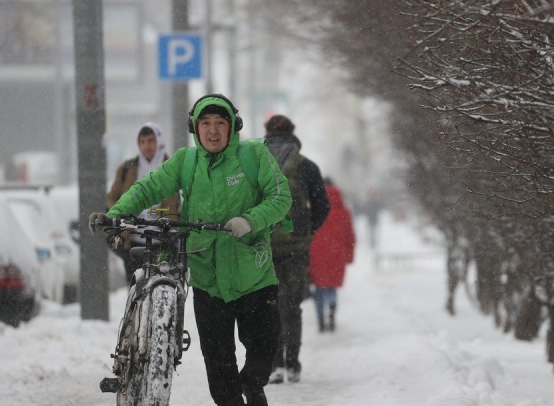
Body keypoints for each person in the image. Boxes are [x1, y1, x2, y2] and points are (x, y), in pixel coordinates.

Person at [89, 94, 291, 406]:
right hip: (207, 277)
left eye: (220, 123)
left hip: (254, 274)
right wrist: (116, 214)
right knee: (219, 364)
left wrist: (250, 221)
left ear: (232, 126)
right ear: (195, 129)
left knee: (263, 349)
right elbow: (149, 187)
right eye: (205, 123)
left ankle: (253, 384)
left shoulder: (254, 155)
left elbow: (280, 198)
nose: (213, 130)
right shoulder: (186, 161)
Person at [263, 114, 330, 384]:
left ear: (267, 132)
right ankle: (292, 363)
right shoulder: (307, 167)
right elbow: (323, 205)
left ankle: (274, 363)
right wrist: (307, 230)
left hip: (263, 246)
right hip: (296, 247)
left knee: (269, 306)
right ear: (293, 133)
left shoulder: (256, 162)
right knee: (292, 305)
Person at [106, 122, 180, 283]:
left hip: (164, 240)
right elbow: (112, 197)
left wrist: (165, 217)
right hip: (134, 241)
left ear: (159, 141)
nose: (147, 146)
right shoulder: (127, 168)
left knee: (165, 285)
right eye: (143, 141)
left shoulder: (174, 167)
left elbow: (179, 202)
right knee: (136, 286)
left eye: (151, 140)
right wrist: (121, 216)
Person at [308, 177, 356, 332]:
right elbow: (350, 236)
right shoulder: (344, 212)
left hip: (316, 255)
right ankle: (332, 314)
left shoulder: (313, 209)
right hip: (336, 255)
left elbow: (306, 234)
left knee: (319, 289)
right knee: (332, 287)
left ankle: (321, 319)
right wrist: (348, 256)